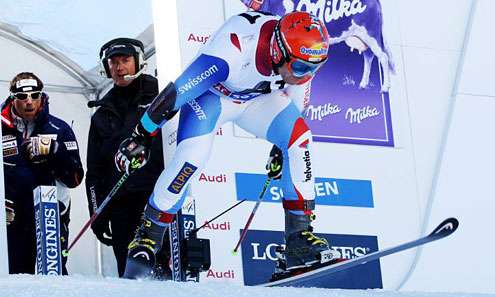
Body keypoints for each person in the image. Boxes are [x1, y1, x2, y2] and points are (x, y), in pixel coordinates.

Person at [115, 11, 341, 278]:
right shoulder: (235, 47)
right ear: (278, 51)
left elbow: (296, 104)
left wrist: (281, 148)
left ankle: (298, 240)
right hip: (212, 98)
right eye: (302, 68)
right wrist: (142, 133)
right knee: (193, 158)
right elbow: (180, 90)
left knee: (300, 140)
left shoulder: (300, 60)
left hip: (257, 101)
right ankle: (148, 237)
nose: (306, 75)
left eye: (315, 68)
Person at [85, 37, 172, 277]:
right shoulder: (101, 114)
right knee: (129, 277)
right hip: (120, 208)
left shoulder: (161, 95)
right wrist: (97, 214)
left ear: (139, 62)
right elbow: (94, 172)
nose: (119, 68)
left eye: (125, 61)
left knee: (166, 277)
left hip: (157, 203)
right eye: (113, 63)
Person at [2, 72, 84, 274]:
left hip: (50, 216)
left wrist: (55, 150)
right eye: (22, 97)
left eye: (34, 95)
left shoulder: (60, 128)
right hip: (11, 220)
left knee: (53, 276)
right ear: (13, 98)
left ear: (42, 96)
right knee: (15, 278)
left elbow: (75, 178)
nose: (29, 102)